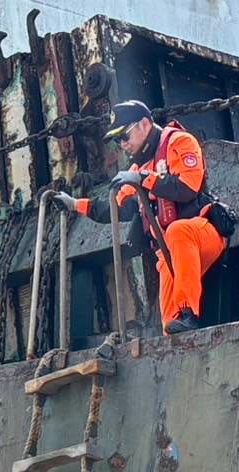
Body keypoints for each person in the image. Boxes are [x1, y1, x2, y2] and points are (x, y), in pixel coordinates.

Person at [53, 99, 229, 334]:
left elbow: (188, 187)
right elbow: (115, 210)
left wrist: (145, 180)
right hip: (170, 252)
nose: (122, 145)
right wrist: (75, 205)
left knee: (178, 231)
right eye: (117, 140)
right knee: (170, 326)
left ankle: (189, 313)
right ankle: (181, 338)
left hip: (202, 235)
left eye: (124, 136)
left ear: (145, 124)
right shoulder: (135, 171)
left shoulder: (179, 141)